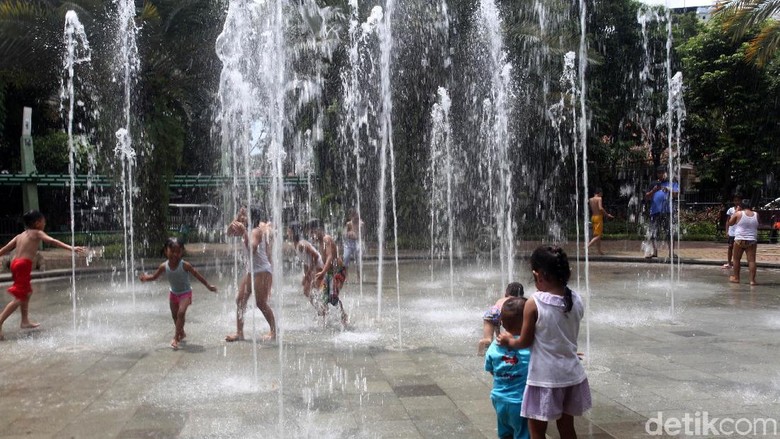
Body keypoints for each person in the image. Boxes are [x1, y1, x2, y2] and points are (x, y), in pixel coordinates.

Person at [498, 246, 591, 439]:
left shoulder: (535, 302)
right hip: (571, 375)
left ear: (539, 275)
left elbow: (524, 341)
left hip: (545, 379)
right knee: (567, 428)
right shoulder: (576, 299)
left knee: (537, 431)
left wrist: (509, 341)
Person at [0, 210, 85, 340]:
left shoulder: (20, 235)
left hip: (15, 264)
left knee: (26, 292)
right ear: (37, 223)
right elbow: (53, 241)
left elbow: (6, 249)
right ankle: (0, 320)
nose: (45, 223)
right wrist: (71, 248)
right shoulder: (37, 233)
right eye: (44, 221)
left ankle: (24, 321)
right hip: (23, 265)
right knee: (19, 297)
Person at [139, 237, 217, 350]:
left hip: (185, 293)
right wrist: (146, 278)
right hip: (173, 294)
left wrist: (208, 286)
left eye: (178, 251)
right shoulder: (164, 266)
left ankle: (176, 337)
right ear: (166, 251)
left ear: (182, 252)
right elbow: (155, 277)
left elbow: (197, 275)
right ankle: (181, 332)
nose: (175, 254)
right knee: (174, 316)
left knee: (180, 313)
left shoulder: (185, 265)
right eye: (172, 251)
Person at [225, 207, 277, 342]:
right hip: (252, 270)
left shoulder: (255, 231)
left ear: (250, 218)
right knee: (240, 300)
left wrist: (244, 233)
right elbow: (229, 233)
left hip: (262, 271)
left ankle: (273, 332)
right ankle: (239, 333)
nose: (242, 218)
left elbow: (252, 250)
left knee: (260, 303)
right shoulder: (247, 230)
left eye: (244, 216)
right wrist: (236, 218)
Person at [485, 297, 531, 439]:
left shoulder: (494, 345)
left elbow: (491, 369)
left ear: (502, 322)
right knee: (523, 434)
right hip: (520, 402)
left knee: (505, 434)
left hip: (499, 399)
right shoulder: (529, 345)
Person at [309, 219, 348, 325]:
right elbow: (324, 261)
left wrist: (322, 273)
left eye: (313, 232)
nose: (312, 235)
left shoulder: (326, 239)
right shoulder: (320, 243)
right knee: (323, 296)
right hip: (330, 273)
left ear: (319, 230)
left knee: (332, 297)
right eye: (311, 233)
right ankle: (325, 319)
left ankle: (343, 317)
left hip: (337, 272)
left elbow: (330, 257)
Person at [478, 282, 524, 355]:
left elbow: (496, 318)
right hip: (505, 311)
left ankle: (482, 348)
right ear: (521, 295)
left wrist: (498, 333)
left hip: (491, 313)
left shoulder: (501, 299)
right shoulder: (517, 302)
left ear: (506, 294)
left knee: (488, 338)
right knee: (509, 331)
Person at [644, 166, 679, 258]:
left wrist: (668, 189)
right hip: (655, 211)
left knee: (670, 232)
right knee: (653, 232)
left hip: (668, 211)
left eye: (662, 172)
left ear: (666, 173)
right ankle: (654, 252)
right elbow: (647, 196)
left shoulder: (672, 182)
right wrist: (653, 190)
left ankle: (671, 253)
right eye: (659, 172)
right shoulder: (653, 184)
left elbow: (676, 194)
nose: (661, 174)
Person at [287, 222, 324, 306]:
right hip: (313, 268)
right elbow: (306, 261)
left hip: (319, 267)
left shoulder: (301, 244)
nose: (287, 233)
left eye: (288, 231)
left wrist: (308, 274)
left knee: (316, 291)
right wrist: (306, 275)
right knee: (307, 291)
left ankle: (324, 311)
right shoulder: (296, 244)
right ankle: (320, 311)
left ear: (293, 232)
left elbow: (316, 257)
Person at [727, 199, 759, 285]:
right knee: (752, 260)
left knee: (736, 259)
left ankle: (736, 278)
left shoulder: (738, 214)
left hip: (739, 239)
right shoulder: (756, 214)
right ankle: (752, 280)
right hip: (752, 240)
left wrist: (736, 211)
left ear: (741, 206)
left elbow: (730, 223)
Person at [586, 188, 614, 255]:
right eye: (601, 193)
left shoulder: (590, 199)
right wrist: (607, 215)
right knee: (599, 235)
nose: (602, 194)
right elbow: (600, 208)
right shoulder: (599, 199)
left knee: (596, 235)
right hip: (598, 217)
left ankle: (599, 251)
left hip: (593, 217)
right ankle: (587, 246)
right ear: (599, 193)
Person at [342, 209, 364, 281]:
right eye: (353, 216)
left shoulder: (361, 224)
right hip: (349, 243)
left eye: (356, 215)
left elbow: (363, 234)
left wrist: (357, 235)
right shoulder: (349, 224)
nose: (355, 217)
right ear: (351, 216)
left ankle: (359, 277)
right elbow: (344, 234)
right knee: (346, 258)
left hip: (357, 242)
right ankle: (346, 276)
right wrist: (349, 234)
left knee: (358, 259)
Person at [722, 196, 742, 269]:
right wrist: (727, 231)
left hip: (739, 232)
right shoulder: (730, 210)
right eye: (735, 201)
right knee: (730, 247)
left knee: (737, 248)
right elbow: (728, 221)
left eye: (738, 200)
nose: (737, 202)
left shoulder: (742, 210)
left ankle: (736, 263)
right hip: (732, 231)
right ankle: (729, 262)